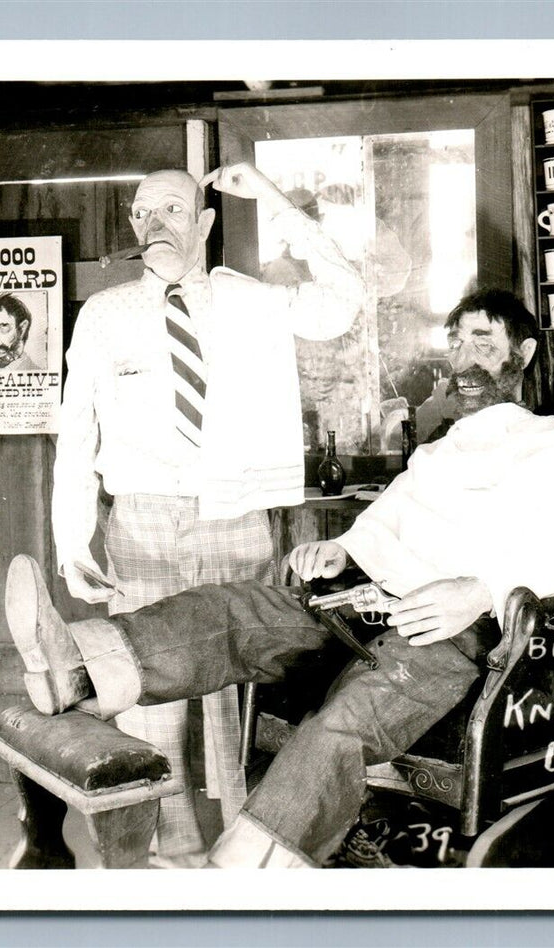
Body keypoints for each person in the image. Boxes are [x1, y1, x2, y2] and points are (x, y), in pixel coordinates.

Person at [10, 288, 554, 867]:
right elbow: (385, 522)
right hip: (366, 604)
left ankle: (246, 880)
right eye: (455, 343)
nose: (464, 358)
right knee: (235, 609)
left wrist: (479, 592)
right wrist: (340, 549)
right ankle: (76, 668)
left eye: (482, 339)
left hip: (449, 634)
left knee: (340, 725)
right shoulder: (439, 452)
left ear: (523, 354)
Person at [48, 164, 363, 865]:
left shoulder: (248, 299)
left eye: (171, 208)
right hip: (140, 522)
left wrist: (278, 199)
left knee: (237, 699)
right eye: (140, 212)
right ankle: (166, 858)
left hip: (235, 516)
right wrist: (74, 541)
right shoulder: (103, 315)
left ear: (205, 223)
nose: (153, 222)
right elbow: (74, 433)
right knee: (147, 693)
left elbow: (342, 302)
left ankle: (238, 859)